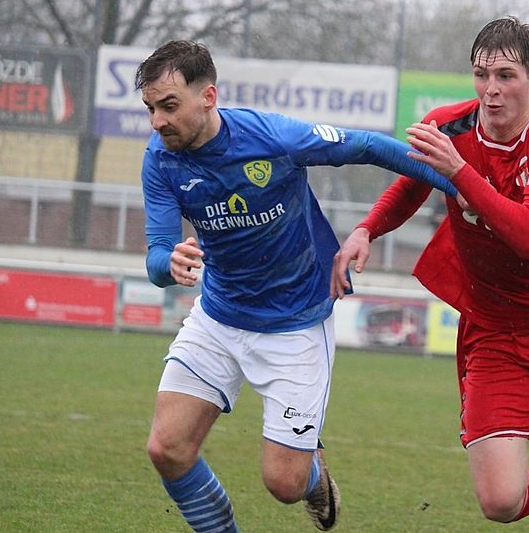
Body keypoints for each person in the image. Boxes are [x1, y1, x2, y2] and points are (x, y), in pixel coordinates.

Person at [331, 16, 529, 533]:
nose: (491, 90)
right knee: (500, 502)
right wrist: (367, 229)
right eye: (481, 75)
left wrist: (459, 172)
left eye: (505, 75)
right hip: (497, 333)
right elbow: (411, 184)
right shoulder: (451, 128)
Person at [135, 40, 456, 532]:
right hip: (218, 317)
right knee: (167, 449)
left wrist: (464, 189)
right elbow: (157, 256)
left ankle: (313, 476)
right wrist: (167, 261)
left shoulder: (273, 138)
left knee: (284, 484)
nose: (157, 121)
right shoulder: (160, 160)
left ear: (208, 97)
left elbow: (367, 147)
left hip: (296, 325)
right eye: (151, 109)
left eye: (169, 106)